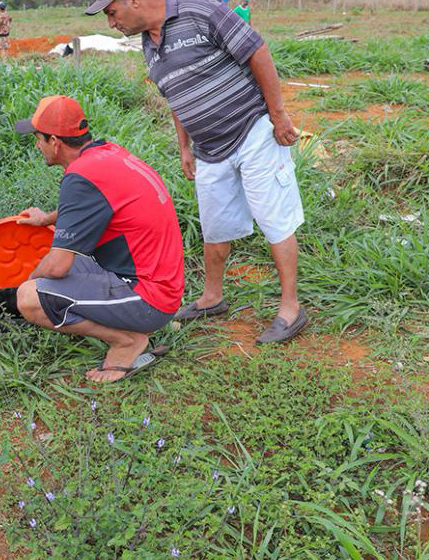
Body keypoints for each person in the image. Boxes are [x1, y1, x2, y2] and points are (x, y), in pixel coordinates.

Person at [87, 0, 307, 344]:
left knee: (274, 218)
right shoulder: (149, 43)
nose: (112, 24)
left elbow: (257, 50)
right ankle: (212, 298)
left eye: (111, 13)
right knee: (215, 224)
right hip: (209, 149)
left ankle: (291, 308)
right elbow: (176, 95)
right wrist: (184, 147)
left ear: (133, 1)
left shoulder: (200, 11)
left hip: (253, 132)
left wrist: (279, 116)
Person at [14, 96, 184, 383]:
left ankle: (126, 340)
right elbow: (98, 203)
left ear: (55, 142)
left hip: (151, 299)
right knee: (69, 259)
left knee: (29, 298)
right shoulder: (107, 155)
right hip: (162, 283)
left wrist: (30, 282)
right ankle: (126, 324)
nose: (36, 145)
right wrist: (47, 220)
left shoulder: (79, 177)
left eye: (38, 139)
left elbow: (57, 268)